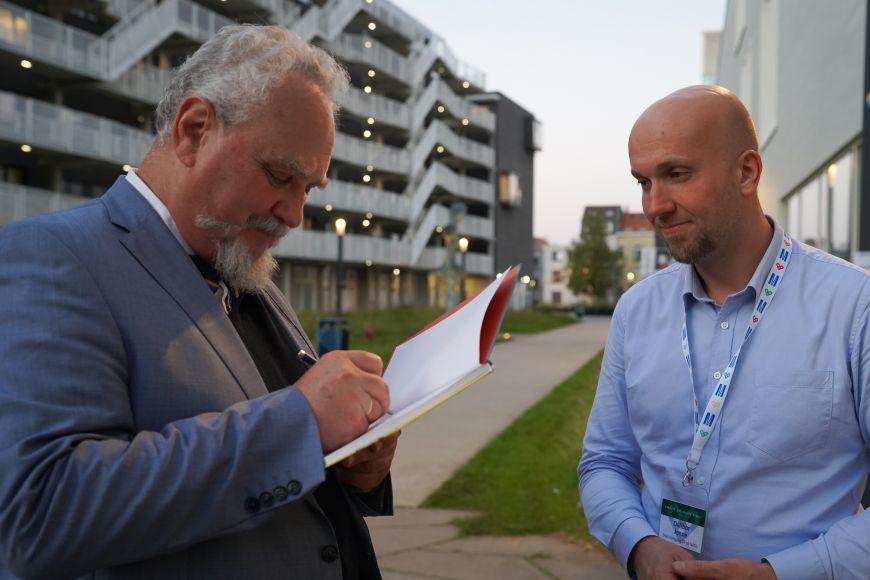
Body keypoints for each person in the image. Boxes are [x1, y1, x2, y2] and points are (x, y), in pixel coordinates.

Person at [0, 25, 400, 579]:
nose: (293, 214)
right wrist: (301, 423)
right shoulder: (53, 257)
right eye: (281, 174)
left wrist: (353, 461)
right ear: (193, 131)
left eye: (308, 188)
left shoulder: (243, 268)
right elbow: (41, 513)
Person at [578, 85, 870, 580]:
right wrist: (639, 544)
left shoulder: (854, 306)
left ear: (747, 172)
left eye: (676, 174)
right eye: (643, 182)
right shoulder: (636, 311)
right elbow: (604, 462)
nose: (655, 206)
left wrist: (777, 574)